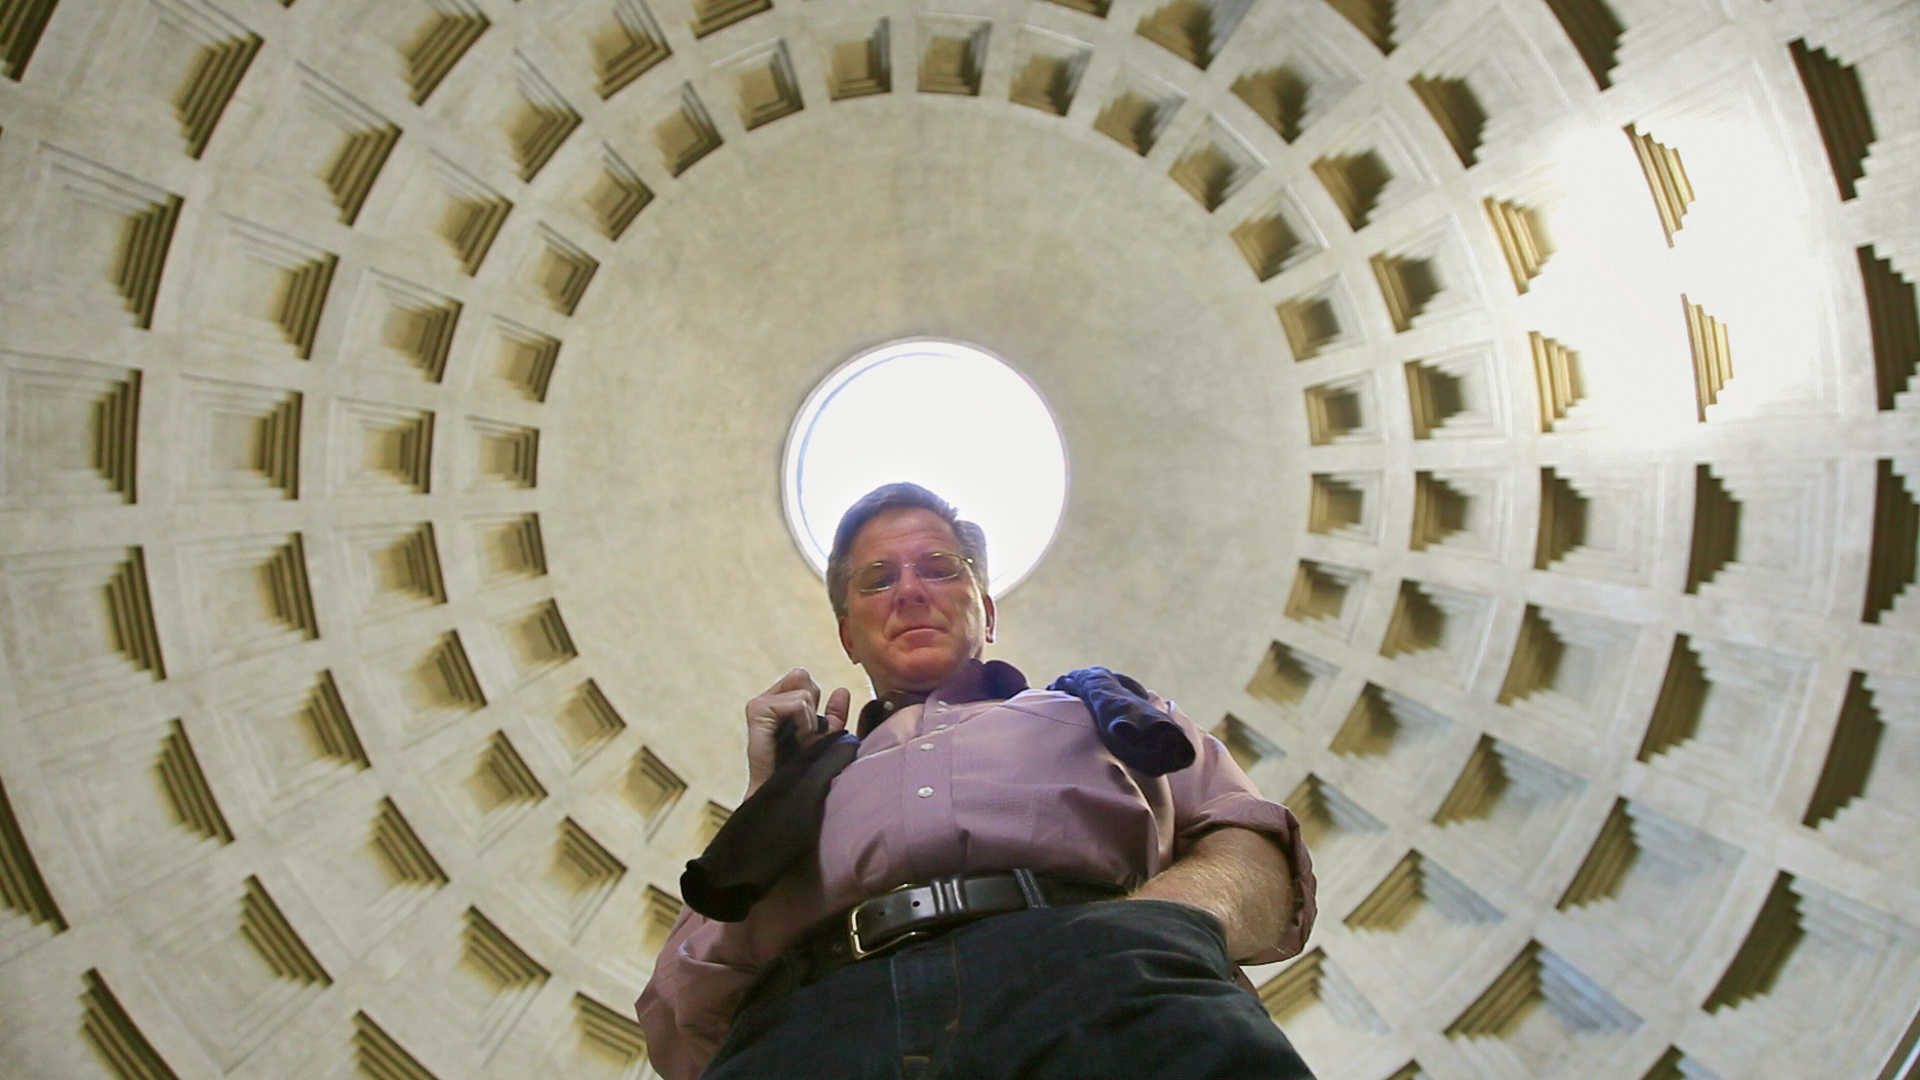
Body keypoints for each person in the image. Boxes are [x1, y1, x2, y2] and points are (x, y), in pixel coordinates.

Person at [635, 482, 1318, 1079]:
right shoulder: (799, 784)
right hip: (816, 1020)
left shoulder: (1109, 714)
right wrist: (765, 803)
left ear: (985, 612)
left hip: (1099, 977)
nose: (909, 591)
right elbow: (680, 1008)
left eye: (939, 567)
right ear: (848, 635)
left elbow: (1247, 837)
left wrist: (1165, 927)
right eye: (877, 579)